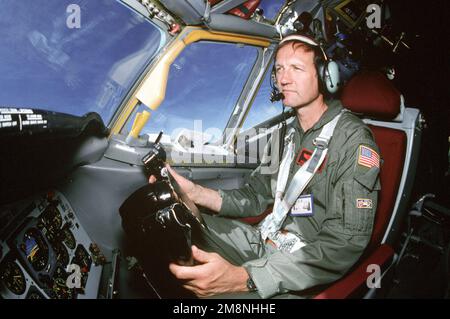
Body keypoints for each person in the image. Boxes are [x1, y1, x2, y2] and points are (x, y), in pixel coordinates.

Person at [151, 34, 381, 299]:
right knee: (172, 226)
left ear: (324, 76)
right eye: (279, 69)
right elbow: (255, 197)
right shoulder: (286, 135)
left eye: (296, 68)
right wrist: (193, 193)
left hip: (302, 269)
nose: (284, 79)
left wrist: (244, 278)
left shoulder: (353, 141)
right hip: (264, 239)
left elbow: (343, 244)